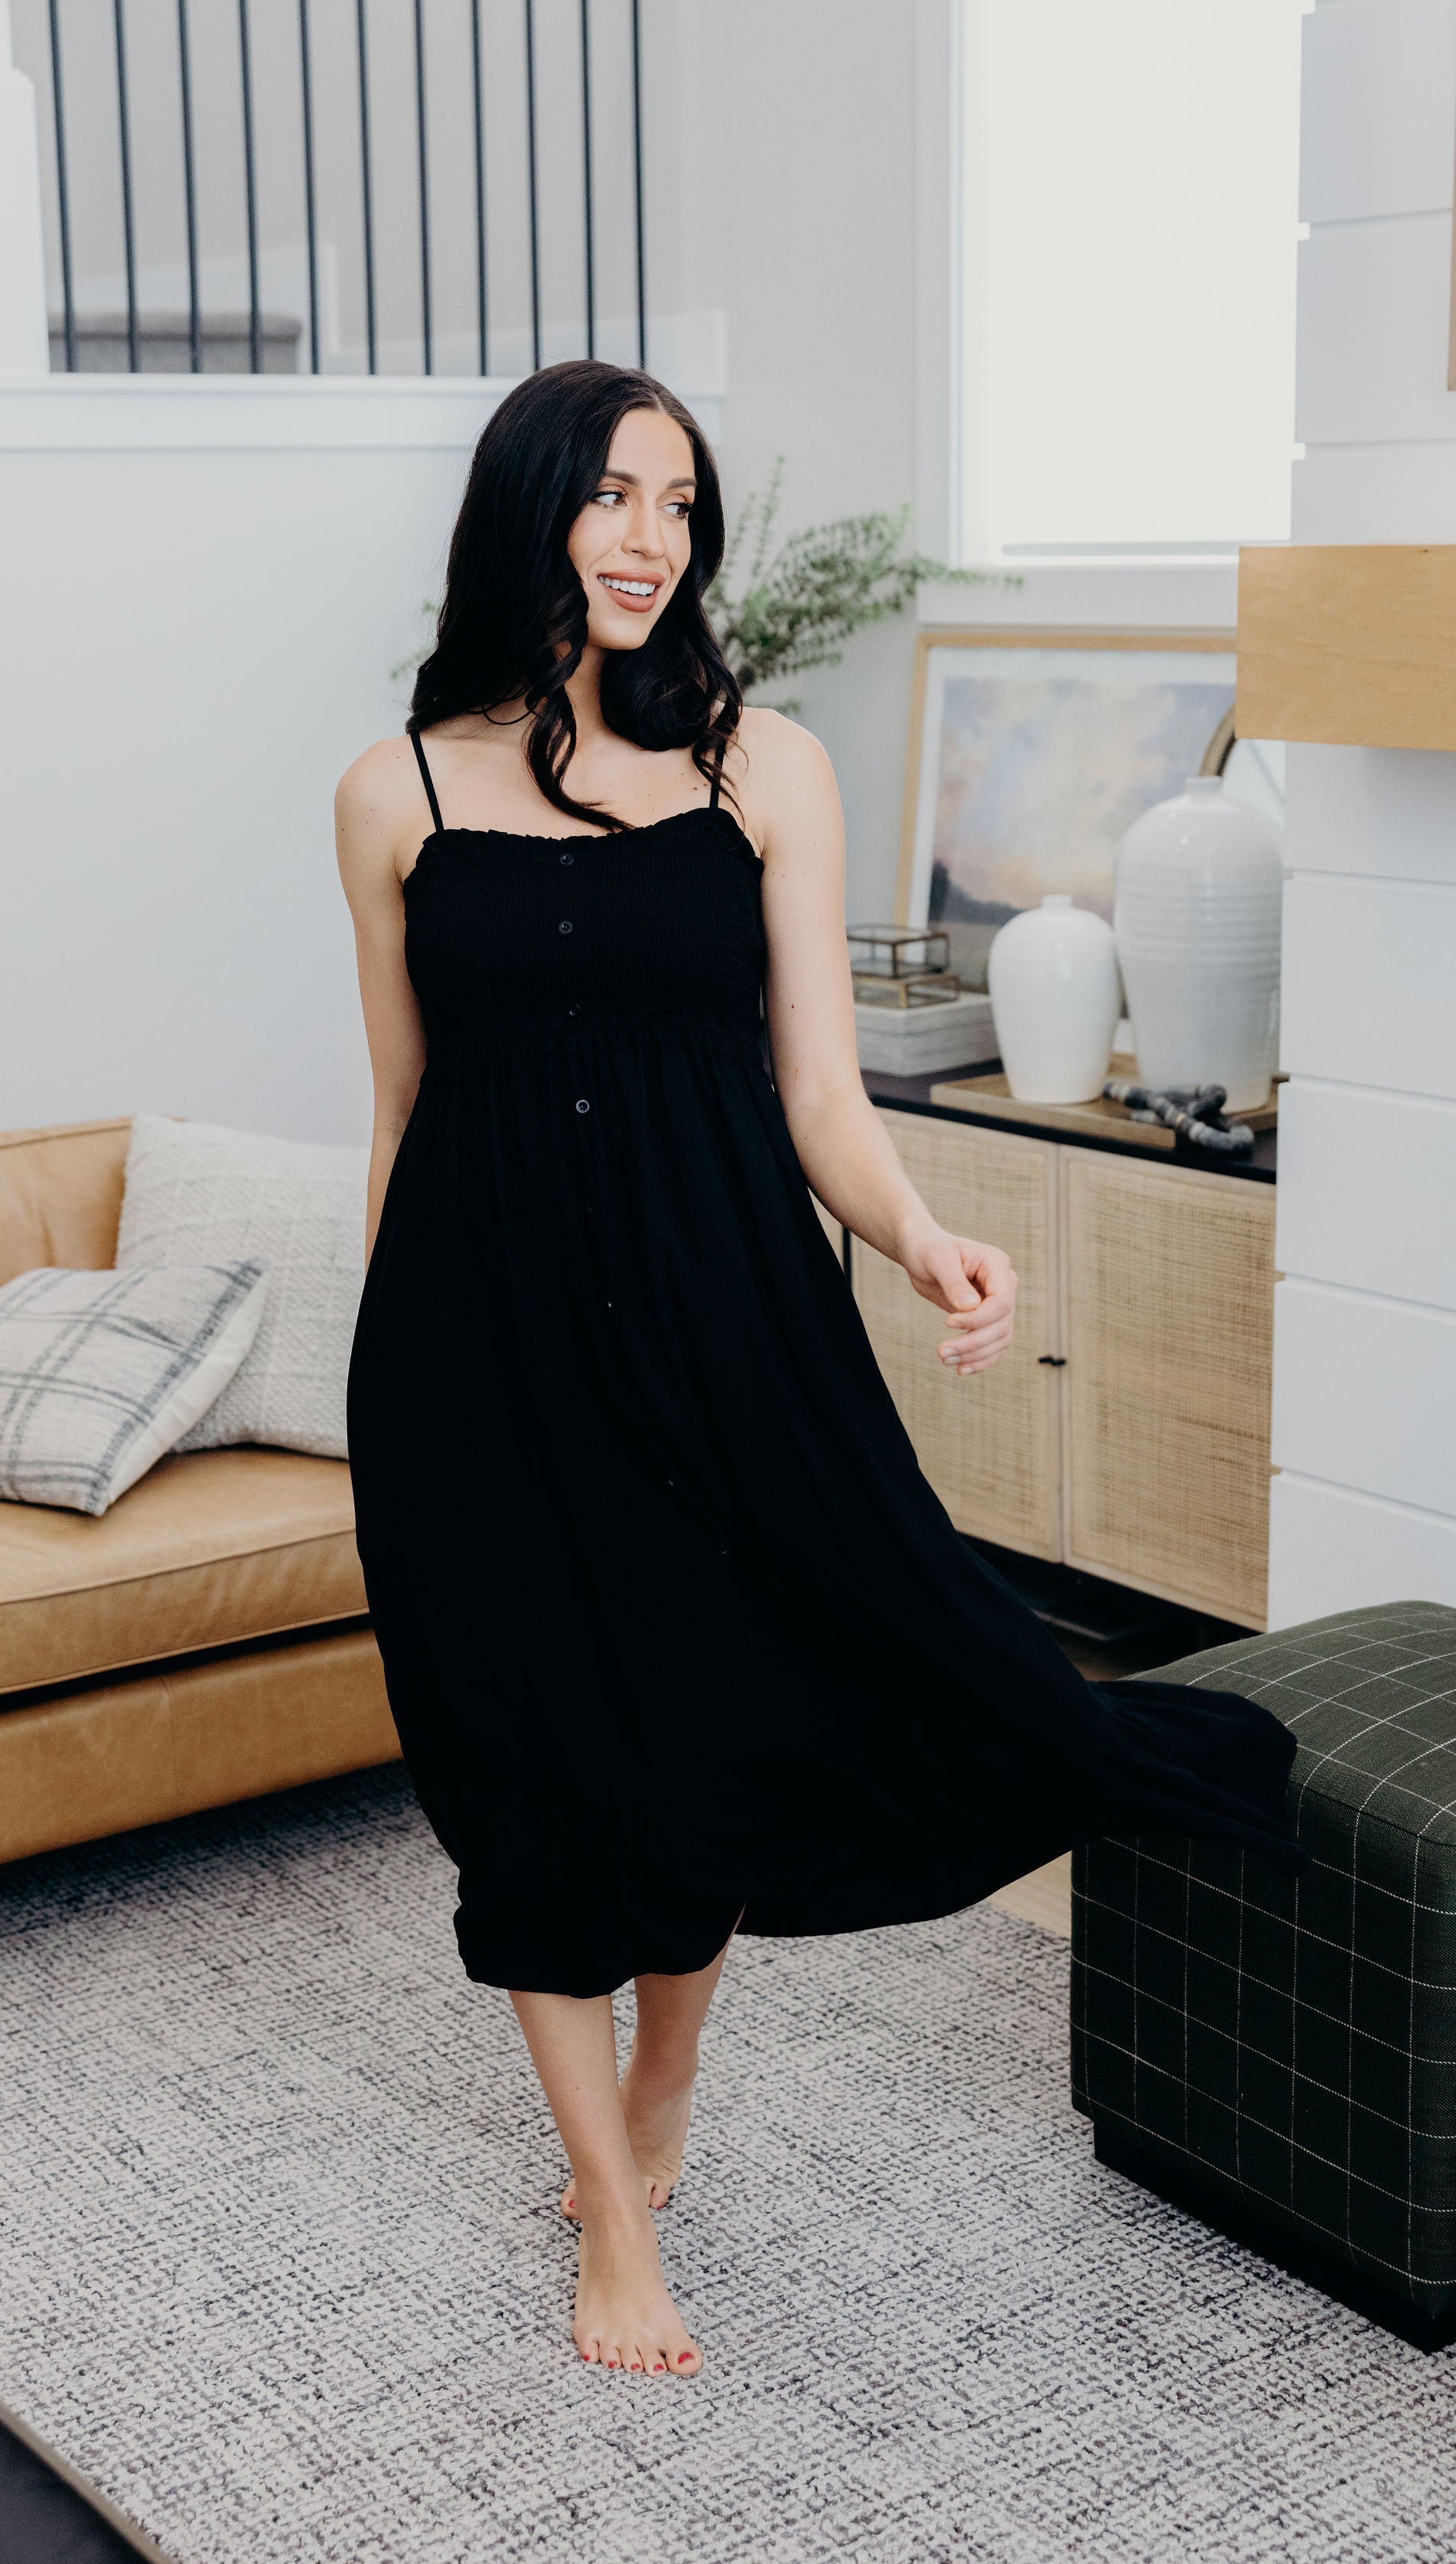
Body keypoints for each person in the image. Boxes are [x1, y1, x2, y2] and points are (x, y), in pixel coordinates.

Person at [335, 359, 1299, 2383]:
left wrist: (921, 1232)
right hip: (475, 1356)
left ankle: (665, 2087)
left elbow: (816, 1094)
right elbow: (403, 1118)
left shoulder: (761, 767)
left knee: (711, 1727)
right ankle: (610, 2206)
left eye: (678, 504)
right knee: (532, 1774)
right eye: (609, 495)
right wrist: (386, 1399)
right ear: (529, 512)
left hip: (725, 1335)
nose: (646, 537)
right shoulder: (394, 795)